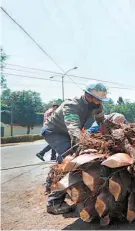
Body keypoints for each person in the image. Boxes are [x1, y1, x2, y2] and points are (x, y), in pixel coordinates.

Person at [42, 81, 108, 214]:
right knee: (71, 160)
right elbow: (73, 128)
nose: (100, 103)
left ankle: (63, 187)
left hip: (68, 132)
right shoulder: (71, 105)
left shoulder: (97, 105)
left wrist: (109, 135)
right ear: (88, 96)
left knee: (69, 160)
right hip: (55, 132)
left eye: (101, 100)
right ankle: (53, 202)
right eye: (98, 100)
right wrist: (84, 145)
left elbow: (102, 122)